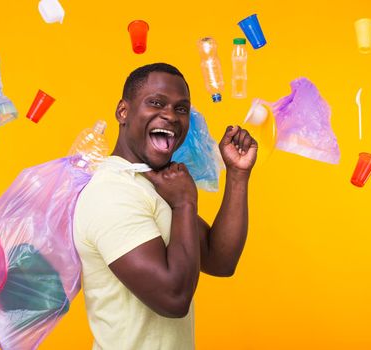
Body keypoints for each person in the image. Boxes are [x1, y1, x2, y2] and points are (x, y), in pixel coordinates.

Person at [73, 63, 258, 350]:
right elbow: (173, 299)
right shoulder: (112, 192)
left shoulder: (151, 183)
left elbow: (219, 260)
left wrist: (237, 173)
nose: (171, 115)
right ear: (123, 111)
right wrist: (184, 203)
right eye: (156, 103)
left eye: (181, 108)